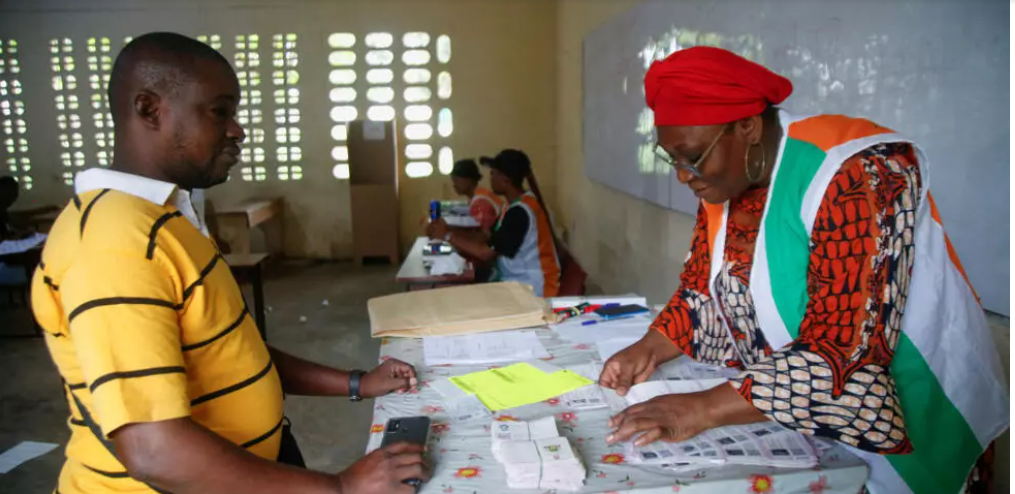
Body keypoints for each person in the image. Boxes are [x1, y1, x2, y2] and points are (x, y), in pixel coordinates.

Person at [31, 33, 429, 494]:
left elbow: (233, 353)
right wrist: (338, 488)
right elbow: (153, 450)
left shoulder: (165, 218)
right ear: (149, 109)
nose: (237, 129)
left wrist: (357, 382)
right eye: (220, 112)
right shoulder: (114, 243)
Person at [597, 47, 1007, 494]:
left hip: (920, 404)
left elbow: (841, 352)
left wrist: (699, 409)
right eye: (672, 159)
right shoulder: (728, 178)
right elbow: (705, 290)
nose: (683, 175)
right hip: (806, 411)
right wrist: (650, 349)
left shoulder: (861, 169)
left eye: (692, 156)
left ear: (748, 127)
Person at [428, 149, 560, 297]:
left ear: (505, 179)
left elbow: (486, 253)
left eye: (493, 173)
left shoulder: (520, 212)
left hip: (533, 287)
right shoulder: (511, 205)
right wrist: (447, 230)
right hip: (514, 279)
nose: (490, 178)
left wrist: (447, 236)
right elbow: (487, 237)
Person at [448, 158, 504, 233]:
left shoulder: (481, 200)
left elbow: (484, 234)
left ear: (469, 180)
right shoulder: (479, 195)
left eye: (456, 181)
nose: (454, 185)